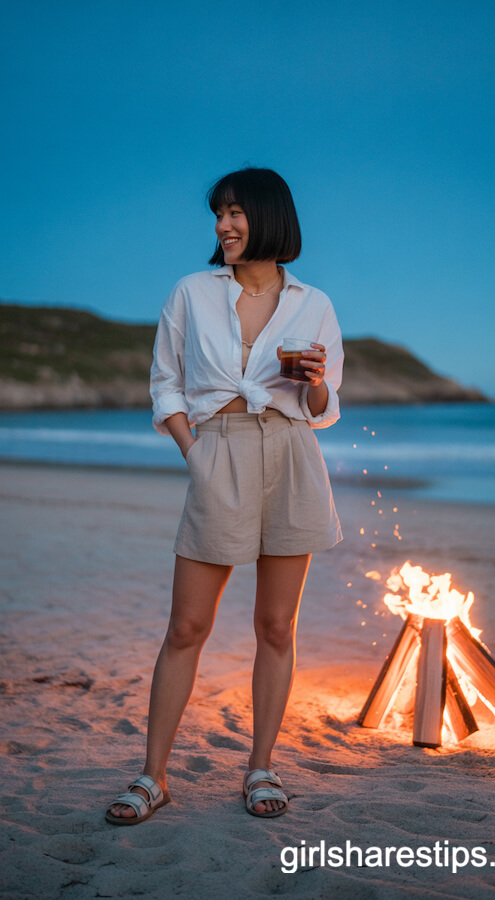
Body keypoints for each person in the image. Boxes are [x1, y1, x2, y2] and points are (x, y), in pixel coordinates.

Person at [105, 167, 343, 824]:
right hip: (220, 448)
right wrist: (195, 451)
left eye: (236, 212)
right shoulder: (191, 292)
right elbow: (166, 385)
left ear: (269, 217)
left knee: (275, 626)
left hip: (292, 453)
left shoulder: (313, 303)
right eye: (219, 214)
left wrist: (317, 382)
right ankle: (153, 777)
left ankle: (260, 767)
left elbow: (322, 409)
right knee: (188, 626)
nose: (224, 225)